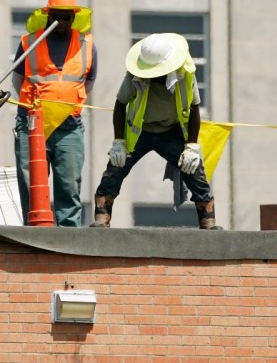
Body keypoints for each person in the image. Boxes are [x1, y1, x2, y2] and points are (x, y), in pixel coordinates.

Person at [91, 33, 222, 230]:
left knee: (193, 168)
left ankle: (207, 219)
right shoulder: (135, 76)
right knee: (115, 168)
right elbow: (120, 104)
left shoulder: (185, 75)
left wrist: (192, 145)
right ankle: (102, 215)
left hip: (170, 131)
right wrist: (119, 141)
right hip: (139, 132)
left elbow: (194, 108)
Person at [13, 0, 96, 227]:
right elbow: (18, 80)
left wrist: (65, 102)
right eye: (57, 15)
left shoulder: (86, 43)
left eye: (66, 16)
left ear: (73, 17)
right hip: (31, 124)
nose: (61, 21)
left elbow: (88, 82)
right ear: (48, 15)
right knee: (31, 183)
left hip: (69, 126)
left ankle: (68, 235)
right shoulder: (30, 42)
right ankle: (34, 232)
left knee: (69, 184)